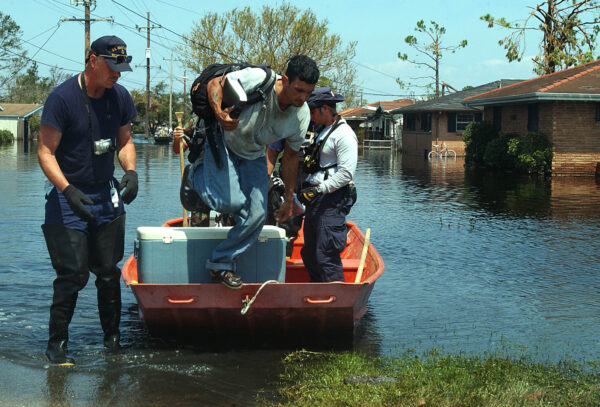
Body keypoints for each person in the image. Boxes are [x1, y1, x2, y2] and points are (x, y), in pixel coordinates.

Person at [174, 55, 319, 289]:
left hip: (253, 155)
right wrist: (220, 114)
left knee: (257, 216)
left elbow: (291, 156)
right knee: (229, 201)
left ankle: (221, 263)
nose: (303, 98)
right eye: (299, 90)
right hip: (222, 139)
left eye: (309, 93)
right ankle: (194, 174)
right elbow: (214, 85)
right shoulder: (259, 79)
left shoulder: (301, 115)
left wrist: (289, 199)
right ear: (285, 80)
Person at [38, 35, 138, 365]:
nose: (118, 75)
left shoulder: (120, 97)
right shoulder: (62, 99)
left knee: (108, 271)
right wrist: (67, 190)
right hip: (70, 194)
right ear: (92, 61)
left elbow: (124, 142)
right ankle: (57, 347)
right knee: (74, 273)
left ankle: (112, 344)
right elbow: (45, 152)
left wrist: (131, 171)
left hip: (105, 192)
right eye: (113, 67)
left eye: (122, 68)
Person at [297, 87, 358, 282]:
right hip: (316, 200)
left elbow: (346, 173)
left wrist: (318, 189)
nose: (311, 117)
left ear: (325, 108)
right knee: (310, 253)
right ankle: (318, 293)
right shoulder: (322, 131)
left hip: (332, 200)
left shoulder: (344, 135)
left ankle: (336, 301)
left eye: (313, 112)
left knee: (326, 254)